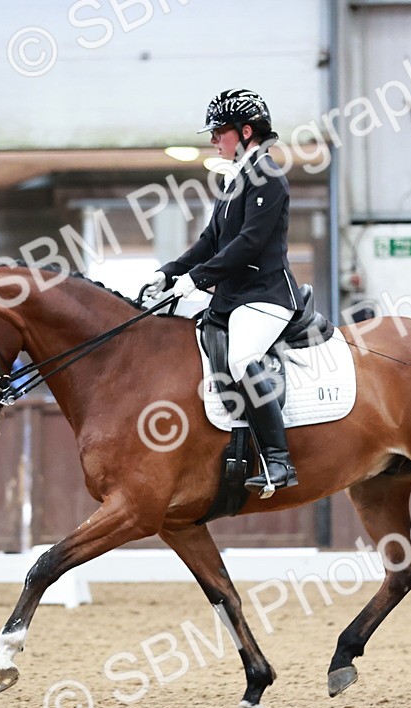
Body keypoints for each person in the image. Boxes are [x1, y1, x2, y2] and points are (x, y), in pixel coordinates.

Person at [142, 88, 304, 496]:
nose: (214, 139)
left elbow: (248, 245)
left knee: (243, 358)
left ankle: (279, 461)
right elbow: (210, 241)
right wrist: (168, 274)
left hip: (265, 297)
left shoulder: (268, 177)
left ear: (246, 131)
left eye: (220, 132)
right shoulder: (235, 180)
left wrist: (195, 280)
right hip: (232, 297)